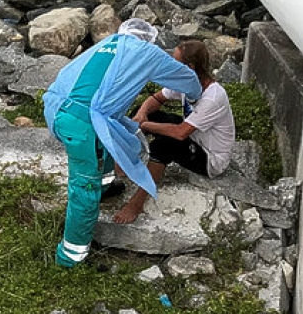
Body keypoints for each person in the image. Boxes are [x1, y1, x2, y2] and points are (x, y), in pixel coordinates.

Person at [42, 19, 203, 268]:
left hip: (56, 106)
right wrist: (195, 98)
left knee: (108, 138)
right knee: (84, 188)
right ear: (147, 39)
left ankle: (106, 186)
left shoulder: (109, 43)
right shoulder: (146, 53)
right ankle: (71, 259)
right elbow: (188, 80)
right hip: (81, 123)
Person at [114, 40, 236, 224]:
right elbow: (157, 98)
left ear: (190, 67)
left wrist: (145, 126)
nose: (171, 65)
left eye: (175, 61)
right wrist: (141, 114)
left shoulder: (213, 97)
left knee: (165, 145)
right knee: (145, 112)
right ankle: (123, 165)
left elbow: (181, 133)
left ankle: (137, 203)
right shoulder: (186, 82)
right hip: (194, 136)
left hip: (210, 158)